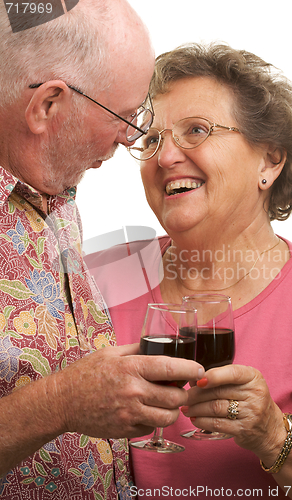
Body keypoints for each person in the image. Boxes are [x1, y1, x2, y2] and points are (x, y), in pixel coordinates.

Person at [86, 43, 292, 499]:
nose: (163, 158)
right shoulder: (100, 270)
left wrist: (276, 436)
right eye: (152, 139)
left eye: (196, 130)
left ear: (270, 160)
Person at [0, 4, 204, 499]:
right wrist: (59, 402)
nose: (135, 137)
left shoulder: (55, 188)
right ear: (47, 106)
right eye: (124, 116)